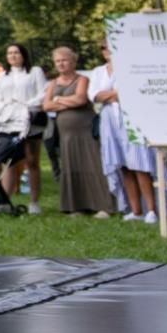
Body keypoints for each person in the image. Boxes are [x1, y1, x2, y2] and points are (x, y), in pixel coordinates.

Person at [89, 40, 157, 224]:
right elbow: (94, 95)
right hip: (109, 121)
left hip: (131, 118)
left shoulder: (131, 68)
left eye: (111, 47)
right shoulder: (98, 72)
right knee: (123, 165)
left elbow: (132, 92)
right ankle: (135, 210)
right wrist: (115, 93)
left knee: (139, 163)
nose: (107, 51)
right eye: (103, 48)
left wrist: (108, 95)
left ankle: (151, 209)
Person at [40, 46, 111, 218]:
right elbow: (46, 105)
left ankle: (103, 206)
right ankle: (77, 206)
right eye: (57, 61)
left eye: (64, 60)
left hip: (85, 130)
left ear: (73, 62)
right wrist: (65, 101)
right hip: (66, 135)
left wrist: (58, 100)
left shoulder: (82, 79)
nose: (61, 64)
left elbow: (80, 99)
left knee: (93, 164)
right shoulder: (52, 83)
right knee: (71, 166)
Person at [0, 43, 48, 215]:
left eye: (16, 52)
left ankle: (34, 201)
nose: (13, 56)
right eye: (9, 53)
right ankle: (5, 199)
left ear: (23, 54)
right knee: (8, 161)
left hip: (30, 119)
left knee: (31, 160)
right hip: (8, 121)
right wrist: (7, 108)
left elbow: (42, 93)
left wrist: (24, 106)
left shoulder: (34, 72)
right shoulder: (3, 76)